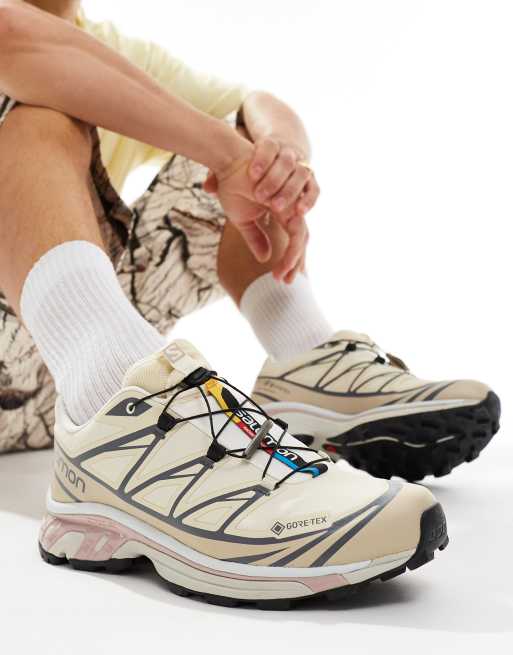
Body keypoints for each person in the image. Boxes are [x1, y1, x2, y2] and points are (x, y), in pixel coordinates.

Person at [0, 0, 496, 606]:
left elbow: (255, 104)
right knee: (41, 113)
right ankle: (108, 393)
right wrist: (228, 157)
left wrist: (276, 159)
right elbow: (10, 36)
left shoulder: (103, 44)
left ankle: (301, 353)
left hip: (50, 379)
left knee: (241, 144)